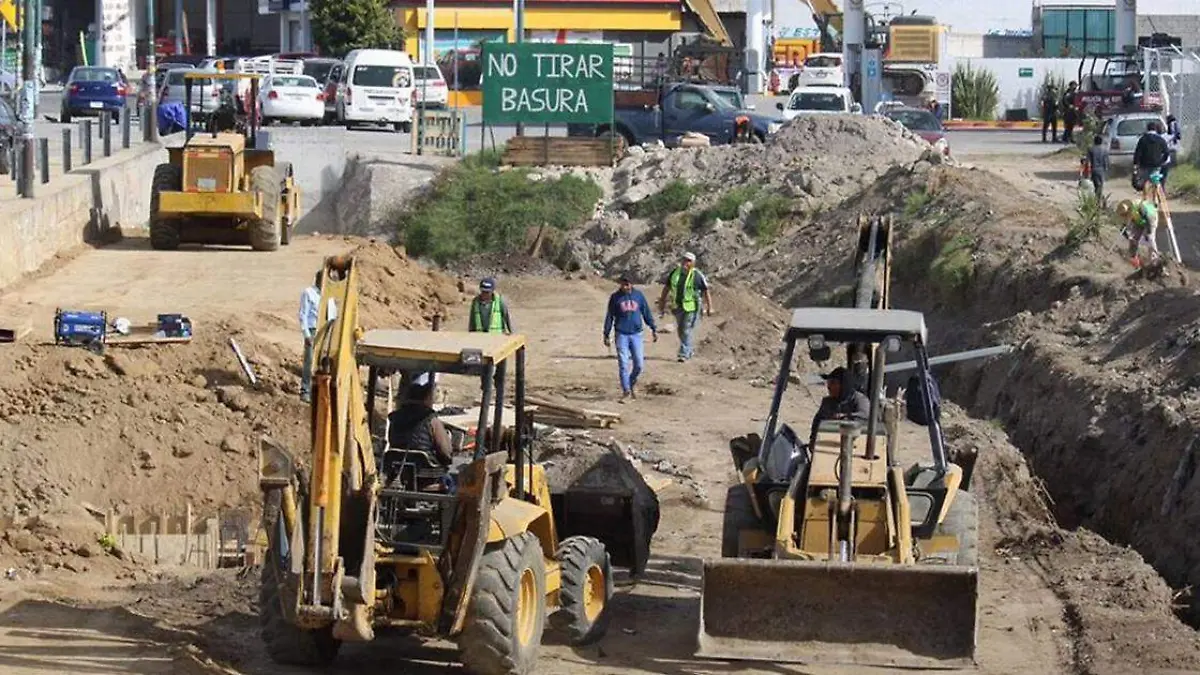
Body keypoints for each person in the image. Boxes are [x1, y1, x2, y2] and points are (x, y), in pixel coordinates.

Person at [603, 275, 658, 402]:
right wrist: (606, 333)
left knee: (639, 364)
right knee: (623, 363)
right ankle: (626, 390)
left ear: (631, 284)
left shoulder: (639, 296)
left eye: (627, 284)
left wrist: (653, 328)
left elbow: (646, 313)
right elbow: (610, 316)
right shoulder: (615, 297)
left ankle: (630, 381)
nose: (625, 287)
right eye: (623, 284)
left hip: (636, 334)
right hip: (621, 334)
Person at [387, 372, 454, 467]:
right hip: (426, 471)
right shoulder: (431, 419)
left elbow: (392, 441)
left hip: (396, 468)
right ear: (426, 398)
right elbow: (446, 452)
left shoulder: (395, 418)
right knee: (448, 480)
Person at [657, 252, 713, 363]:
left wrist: (710, 307)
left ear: (693, 263)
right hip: (677, 306)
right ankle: (689, 350)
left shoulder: (697, 275)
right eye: (684, 260)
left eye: (688, 261)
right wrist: (662, 302)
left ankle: (683, 354)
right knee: (680, 330)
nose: (685, 263)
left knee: (686, 330)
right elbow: (667, 288)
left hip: (692, 307)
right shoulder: (675, 273)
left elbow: (706, 291)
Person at [298, 270, 338, 403]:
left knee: (324, 363)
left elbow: (333, 314)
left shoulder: (329, 295)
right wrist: (306, 334)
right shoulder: (308, 293)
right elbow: (303, 314)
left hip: (326, 330)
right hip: (313, 330)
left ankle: (320, 391)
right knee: (309, 361)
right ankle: (305, 391)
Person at [809, 366, 872, 444]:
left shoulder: (860, 399)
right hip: (829, 442)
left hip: (855, 443)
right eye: (828, 383)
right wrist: (813, 439)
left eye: (833, 383)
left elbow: (865, 415)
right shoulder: (827, 402)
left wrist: (845, 416)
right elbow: (818, 421)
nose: (829, 387)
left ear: (844, 385)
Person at [1117, 198, 1162, 269]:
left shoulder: (1140, 207)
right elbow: (1127, 222)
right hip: (1139, 220)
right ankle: (1134, 259)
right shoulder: (1129, 212)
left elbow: (1149, 218)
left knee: (1150, 239)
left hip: (1151, 217)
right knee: (1133, 238)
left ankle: (1154, 259)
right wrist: (1124, 230)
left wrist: (1148, 232)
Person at [1133, 121, 1171, 195]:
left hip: (1144, 165)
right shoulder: (1160, 140)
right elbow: (1166, 153)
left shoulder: (1143, 139)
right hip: (1156, 165)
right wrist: (1161, 161)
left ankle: (1146, 198)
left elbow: (1138, 153)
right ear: (1155, 129)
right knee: (1155, 182)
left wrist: (1136, 164)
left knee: (1145, 182)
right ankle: (1155, 199)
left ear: (1147, 129)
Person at [1083, 134, 1110, 200]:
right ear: (1101, 141)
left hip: (1094, 170)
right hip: (1101, 171)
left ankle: (1097, 200)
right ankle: (1099, 200)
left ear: (1094, 141)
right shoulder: (1105, 150)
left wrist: (1086, 172)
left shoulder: (1091, 149)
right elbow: (1106, 162)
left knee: (1095, 186)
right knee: (1100, 186)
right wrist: (1106, 170)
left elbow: (1087, 161)